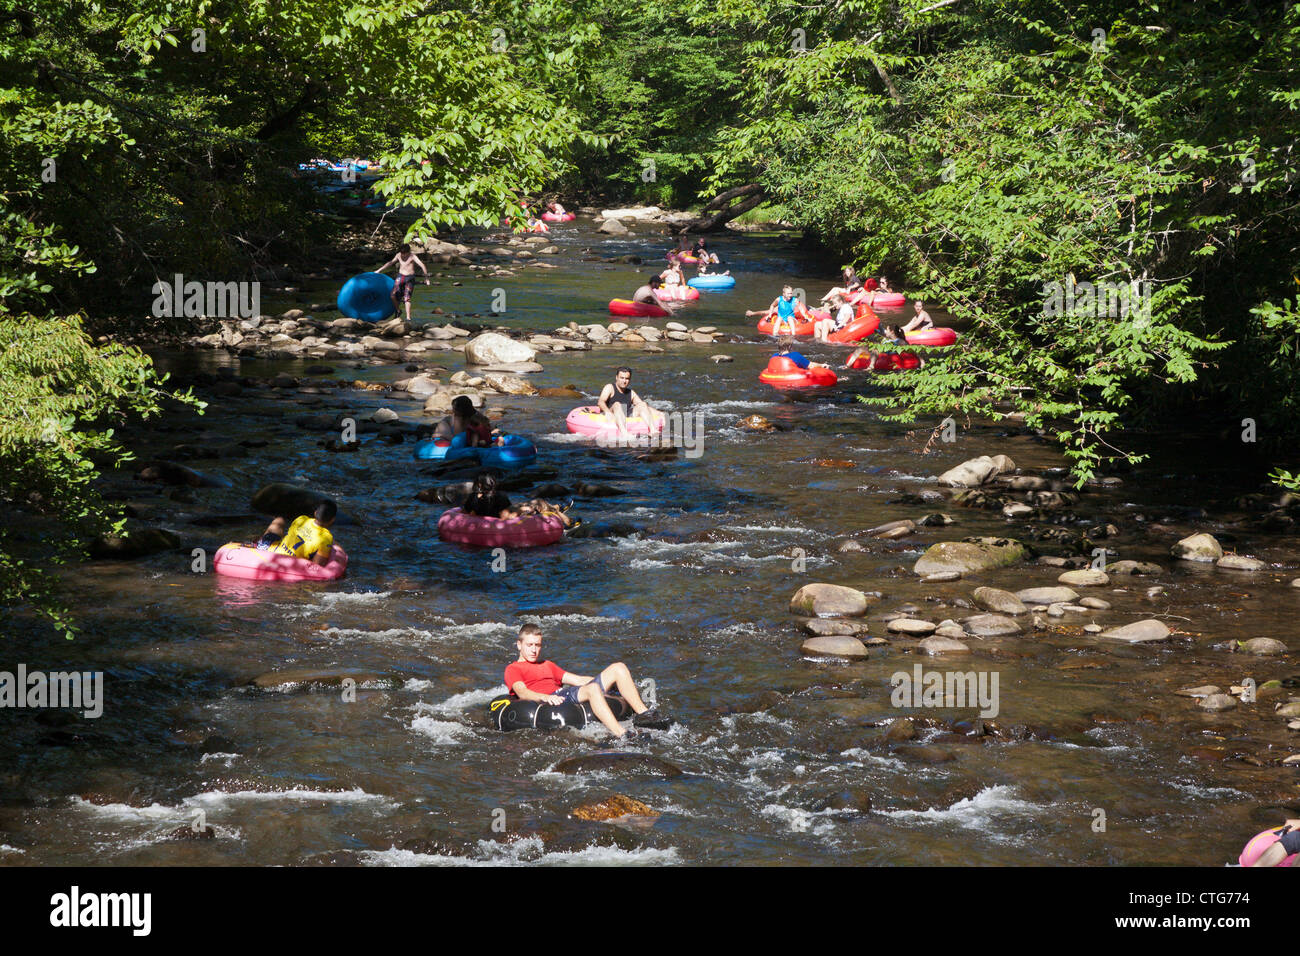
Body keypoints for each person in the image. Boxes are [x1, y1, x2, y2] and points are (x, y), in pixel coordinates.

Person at [504, 623, 671, 738]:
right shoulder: (513, 669)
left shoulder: (547, 665)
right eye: (530, 645)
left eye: (538, 645)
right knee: (592, 690)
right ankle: (622, 734)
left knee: (618, 667)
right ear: (519, 645)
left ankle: (645, 715)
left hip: (564, 693)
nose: (534, 650)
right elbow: (521, 691)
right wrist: (545, 697)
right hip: (553, 699)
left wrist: (607, 683)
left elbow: (576, 679)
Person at [256, 500, 337, 566]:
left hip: (270, 551)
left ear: (315, 513)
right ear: (332, 520)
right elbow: (318, 565)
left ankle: (257, 543)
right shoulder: (326, 538)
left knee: (279, 520)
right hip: (290, 564)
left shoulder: (302, 519)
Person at [375, 243, 430, 323]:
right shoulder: (398, 255)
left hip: (409, 278)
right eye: (402, 253)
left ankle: (408, 318)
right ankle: (398, 310)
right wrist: (379, 270)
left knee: (406, 298)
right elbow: (390, 263)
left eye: (405, 253)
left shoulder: (413, 256)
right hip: (400, 277)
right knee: (392, 295)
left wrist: (426, 279)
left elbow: (422, 265)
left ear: (408, 252)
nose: (403, 255)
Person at [598, 366, 659, 435]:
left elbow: (643, 406)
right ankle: (624, 434)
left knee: (643, 404)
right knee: (617, 404)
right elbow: (601, 402)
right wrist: (607, 412)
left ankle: (653, 431)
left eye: (627, 378)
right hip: (610, 415)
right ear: (616, 377)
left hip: (625, 417)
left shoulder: (631, 393)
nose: (624, 381)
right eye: (622, 378)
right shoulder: (610, 387)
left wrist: (659, 414)